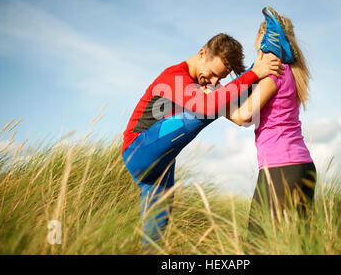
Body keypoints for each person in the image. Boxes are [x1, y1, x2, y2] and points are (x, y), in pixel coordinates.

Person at [121, 33, 283, 250]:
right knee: (207, 108)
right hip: (138, 150)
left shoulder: (200, 87)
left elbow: (238, 112)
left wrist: (257, 72)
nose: (214, 81)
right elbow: (208, 108)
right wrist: (254, 72)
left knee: (153, 243)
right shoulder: (174, 76)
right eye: (214, 73)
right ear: (202, 54)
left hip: (160, 169)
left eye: (221, 78)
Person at [225, 6, 317, 239]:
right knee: (299, 245)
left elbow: (242, 116)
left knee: (257, 244)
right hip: (303, 166)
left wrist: (217, 102)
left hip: (280, 168)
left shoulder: (273, 73)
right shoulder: (290, 72)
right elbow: (252, 117)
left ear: (263, 39)